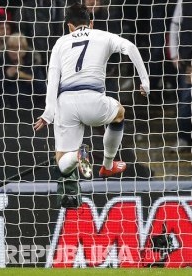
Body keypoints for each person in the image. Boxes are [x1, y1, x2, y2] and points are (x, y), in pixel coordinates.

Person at [33, 3, 149, 208]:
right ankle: (107, 164)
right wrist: (144, 81)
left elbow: (53, 79)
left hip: (65, 103)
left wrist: (48, 113)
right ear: (91, 23)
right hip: (93, 99)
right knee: (119, 113)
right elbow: (130, 47)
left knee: (61, 161)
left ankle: (77, 155)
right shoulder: (103, 36)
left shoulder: (61, 42)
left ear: (69, 26)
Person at [169, 0, 192, 153]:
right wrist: (174, 53)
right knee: (184, 102)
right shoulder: (183, 2)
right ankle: (184, 137)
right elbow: (174, 26)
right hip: (186, 63)